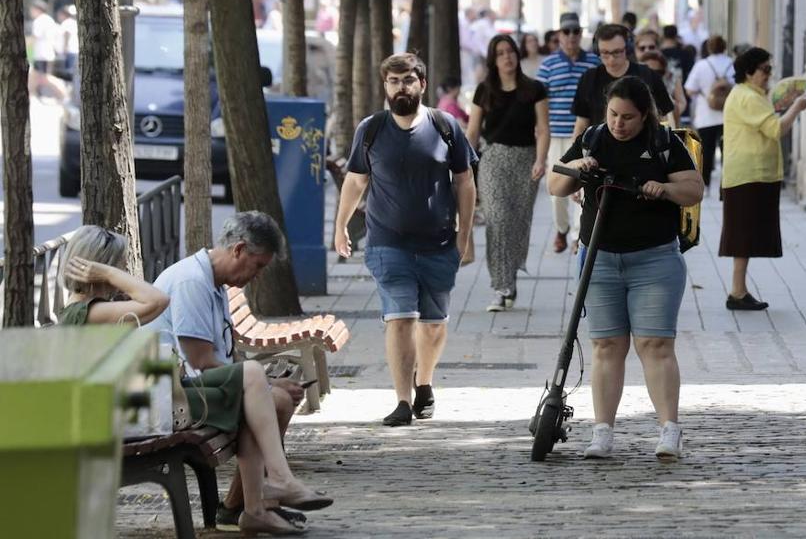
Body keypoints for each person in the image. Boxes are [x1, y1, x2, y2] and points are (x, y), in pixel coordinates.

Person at [143, 213, 330, 534]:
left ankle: (246, 507)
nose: (256, 276)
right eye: (257, 266)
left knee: (280, 399)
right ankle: (275, 485)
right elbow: (200, 361)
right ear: (239, 249)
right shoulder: (192, 282)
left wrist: (267, 383)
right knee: (267, 394)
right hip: (170, 397)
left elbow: (224, 358)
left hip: (196, 388)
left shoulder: (214, 283)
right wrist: (263, 382)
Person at [548, 76, 704, 460]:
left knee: (654, 344)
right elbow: (555, 183)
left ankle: (670, 430)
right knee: (606, 346)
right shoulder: (593, 139)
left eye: (628, 117)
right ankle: (602, 432)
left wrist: (663, 189)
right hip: (599, 258)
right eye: (613, 114)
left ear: (645, 115)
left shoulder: (664, 143)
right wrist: (577, 167)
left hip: (654, 258)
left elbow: (694, 188)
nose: (619, 123)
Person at [334, 53, 477, 426]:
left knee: (433, 325)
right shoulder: (371, 129)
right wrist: (340, 228)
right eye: (394, 81)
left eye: (408, 81)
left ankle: (424, 383)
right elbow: (355, 181)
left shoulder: (445, 126)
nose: (401, 88)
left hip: (439, 242)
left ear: (422, 84)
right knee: (400, 318)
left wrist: (465, 234)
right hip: (387, 242)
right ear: (385, 86)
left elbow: (464, 182)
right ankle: (401, 400)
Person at [718, 47, 806, 311]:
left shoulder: (748, 94)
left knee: (743, 234)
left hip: (749, 173)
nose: (769, 75)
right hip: (750, 173)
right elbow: (776, 129)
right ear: (749, 72)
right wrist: (797, 107)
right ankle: (736, 291)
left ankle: (739, 290)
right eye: (765, 70)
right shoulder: (748, 97)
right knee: (742, 235)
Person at [467, 34, 550, 311]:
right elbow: (473, 131)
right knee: (497, 220)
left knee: (516, 225)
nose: (507, 57)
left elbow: (542, 129)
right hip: (493, 160)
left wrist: (540, 160)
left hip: (526, 161)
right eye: (500, 53)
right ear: (494, 59)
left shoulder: (535, 89)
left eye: (510, 51)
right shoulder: (484, 91)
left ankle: (509, 280)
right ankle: (500, 287)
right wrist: (464, 163)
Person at [536, 12, 600, 253]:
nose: (572, 36)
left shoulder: (593, 62)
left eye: (576, 31)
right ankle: (562, 228)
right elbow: (539, 102)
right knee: (557, 189)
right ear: (559, 35)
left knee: (583, 183)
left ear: (581, 33)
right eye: (567, 31)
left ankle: (577, 235)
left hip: (585, 136)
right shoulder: (548, 65)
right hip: (556, 134)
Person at [571, 24, 674, 137]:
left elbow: (665, 118)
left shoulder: (647, 75)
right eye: (605, 53)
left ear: (628, 48)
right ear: (597, 50)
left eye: (617, 52)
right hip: (599, 150)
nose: (611, 59)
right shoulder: (589, 78)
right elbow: (581, 123)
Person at [684, 35, 735, 190]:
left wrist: (703, 92)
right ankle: (725, 185)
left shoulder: (701, 65)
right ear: (724, 47)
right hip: (728, 115)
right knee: (728, 152)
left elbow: (690, 89)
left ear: (708, 48)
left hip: (706, 116)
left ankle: (705, 185)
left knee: (706, 151)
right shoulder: (731, 64)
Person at [28, 0, 67, 100]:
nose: (31, 12)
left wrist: (26, 44)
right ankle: (31, 97)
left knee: (45, 78)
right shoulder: (49, 20)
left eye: (32, 9)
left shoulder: (39, 21)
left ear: (38, 9)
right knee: (34, 76)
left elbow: (35, 37)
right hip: (48, 53)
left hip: (42, 54)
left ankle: (62, 92)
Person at [639, 49, 685, 126]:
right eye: (648, 72)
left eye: (658, 72)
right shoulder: (630, 102)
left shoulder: (672, 106)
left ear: (664, 74)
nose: (653, 77)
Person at [56, 5, 79, 76]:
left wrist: (65, 47)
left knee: (69, 72)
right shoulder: (74, 22)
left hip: (70, 51)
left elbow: (67, 34)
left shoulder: (66, 23)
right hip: (75, 50)